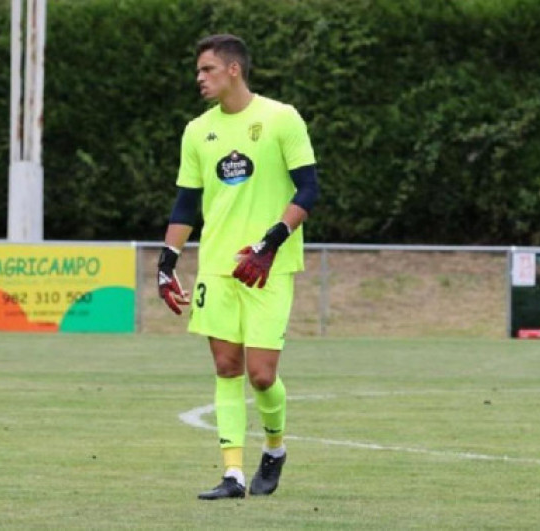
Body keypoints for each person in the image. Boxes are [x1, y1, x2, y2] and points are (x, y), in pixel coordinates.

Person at [156, 33, 320, 500]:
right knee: (226, 366)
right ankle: (232, 474)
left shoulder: (281, 118)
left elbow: (308, 190)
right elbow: (185, 204)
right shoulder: (197, 130)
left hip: (268, 265)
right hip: (217, 267)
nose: (199, 79)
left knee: (262, 374)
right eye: (198, 71)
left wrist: (270, 242)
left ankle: (275, 448)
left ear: (233, 70)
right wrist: (167, 263)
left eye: (206, 70)